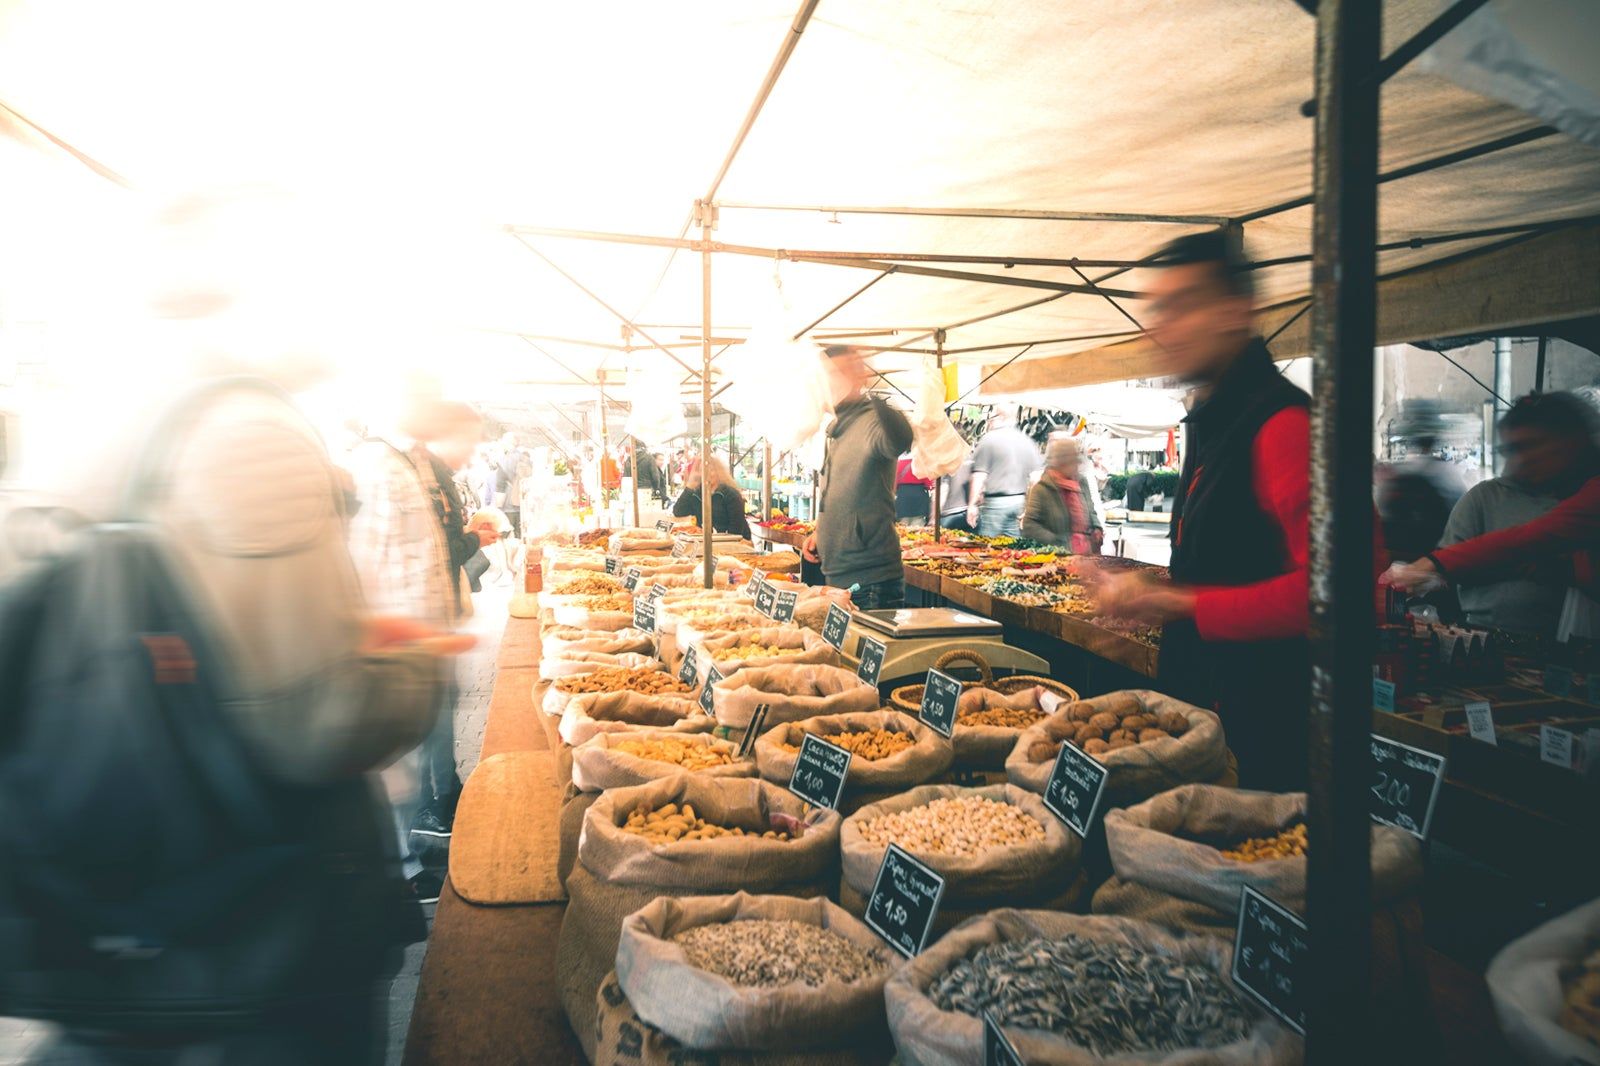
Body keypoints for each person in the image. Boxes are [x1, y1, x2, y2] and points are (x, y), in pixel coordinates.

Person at [1092, 231, 1331, 792]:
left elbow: (1339, 593)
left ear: (1234, 311)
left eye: (1180, 307)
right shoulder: (1213, 421)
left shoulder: (1285, 425)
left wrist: (1181, 603)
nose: (1162, 329)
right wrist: (1152, 594)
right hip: (1205, 726)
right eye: (1157, 311)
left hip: (1265, 744)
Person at [1386, 392, 1600, 627]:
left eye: (1531, 446)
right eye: (1513, 450)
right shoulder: (1484, 496)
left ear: (1568, 443)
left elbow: (1528, 540)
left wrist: (1433, 564)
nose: (1523, 460)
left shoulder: (1590, 496)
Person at [403, 401, 499, 840]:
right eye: (471, 439)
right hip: (418, 623)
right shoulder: (413, 471)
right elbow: (440, 554)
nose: (474, 450)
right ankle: (433, 806)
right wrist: (473, 538)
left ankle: (446, 791)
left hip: (433, 618)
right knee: (433, 716)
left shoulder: (431, 473)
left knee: (442, 710)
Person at [803, 345, 915, 609]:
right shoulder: (837, 431)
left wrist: (875, 398)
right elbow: (842, 494)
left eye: (837, 373)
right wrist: (821, 532)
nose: (828, 383)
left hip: (870, 582)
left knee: (865, 650)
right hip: (838, 574)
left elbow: (899, 439)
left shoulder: (872, 423)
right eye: (827, 375)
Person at [1377, 403, 1468, 562]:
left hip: (1397, 554)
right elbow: (1461, 516)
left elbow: (1383, 514)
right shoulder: (1449, 474)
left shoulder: (1396, 473)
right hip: (1436, 555)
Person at [966, 405, 1043, 537]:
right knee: (1012, 547)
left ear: (1000, 417)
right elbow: (1036, 478)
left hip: (995, 503)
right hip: (1019, 501)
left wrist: (972, 505)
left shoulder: (989, 439)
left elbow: (979, 475)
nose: (989, 422)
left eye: (991, 418)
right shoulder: (1027, 441)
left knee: (988, 547)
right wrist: (1029, 506)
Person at [1022, 435, 1103, 554]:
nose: (1075, 466)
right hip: (1057, 556)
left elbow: (1091, 511)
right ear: (1060, 464)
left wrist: (1097, 527)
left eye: (1075, 461)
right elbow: (1030, 526)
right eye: (1071, 462)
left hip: (1087, 553)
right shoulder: (1042, 488)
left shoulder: (1082, 482)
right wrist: (1058, 541)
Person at [672, 454, 752, 537]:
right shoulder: (695, 494)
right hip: (706, 541)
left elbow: (736, 530)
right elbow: (678, 512)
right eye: (702, 470)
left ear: (719, 472)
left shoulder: (730, 494)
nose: (707, 474)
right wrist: (689, 486)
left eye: (711, 470)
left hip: (732, 542)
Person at [895, 454, 934, 525]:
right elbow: (929, 484)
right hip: (919, 500)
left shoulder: (898, 463)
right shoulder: (921, 464)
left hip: (902, 500)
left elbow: (894, 485)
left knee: (903, 525)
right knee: (918, 525)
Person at [939, 455, 976, 530]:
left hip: (949, 513)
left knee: (947, 540)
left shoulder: (945, 461)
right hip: (969, 512)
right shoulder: (974, 458)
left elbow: (943, 489)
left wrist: (934, 516)